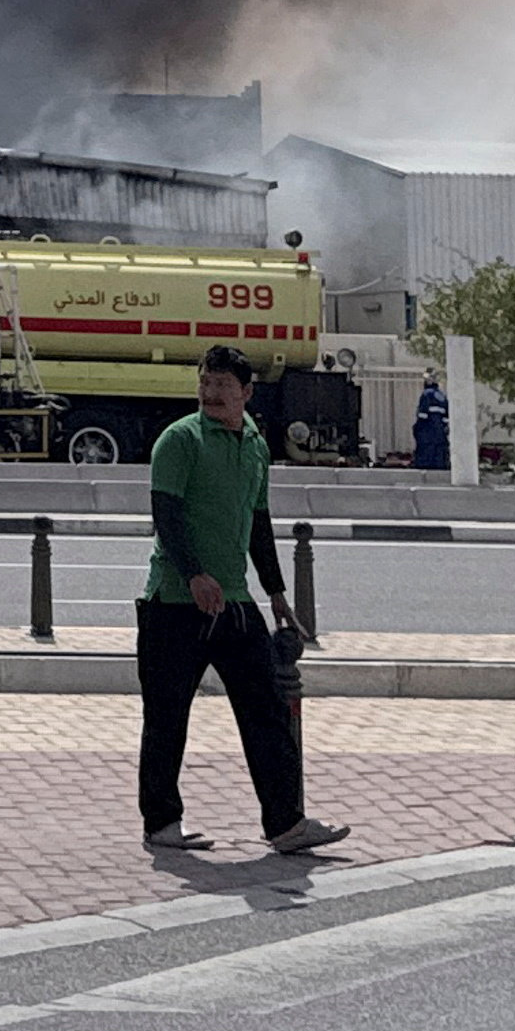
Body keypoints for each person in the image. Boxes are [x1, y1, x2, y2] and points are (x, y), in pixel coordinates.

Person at [142, 344, 342, 862]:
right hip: (174, 602)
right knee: (167, 717)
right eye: (205, 383)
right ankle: (162, 822)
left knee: (266, 710)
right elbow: (166, 516)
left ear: (246, 393)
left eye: (222, 386)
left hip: (233, 599)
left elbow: (258, 521)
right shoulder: (179, 440)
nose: (210, 394)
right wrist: (194, 574)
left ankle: (286, 824)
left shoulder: (254, 443)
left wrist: (274, 591)